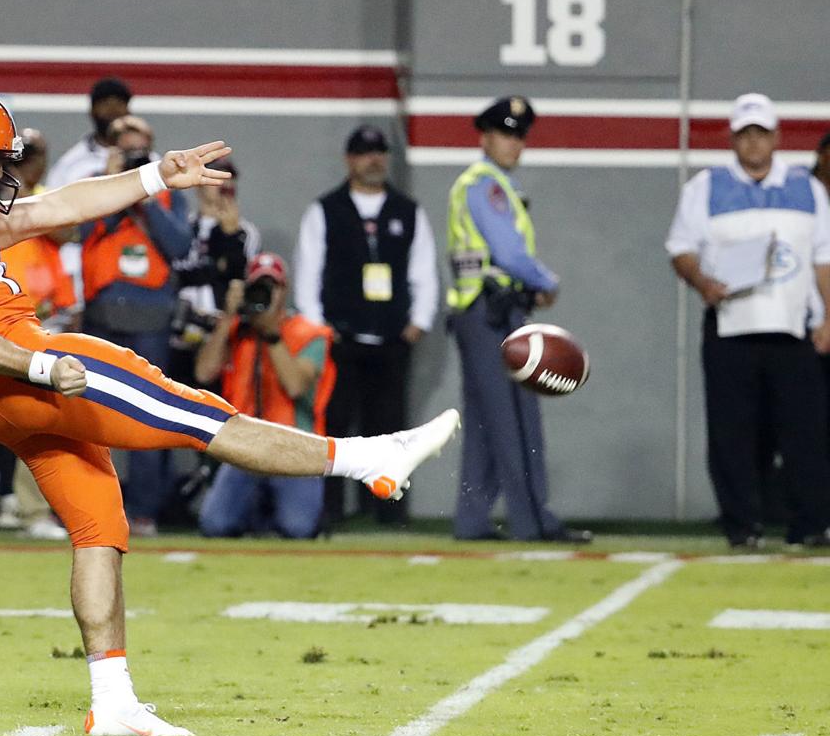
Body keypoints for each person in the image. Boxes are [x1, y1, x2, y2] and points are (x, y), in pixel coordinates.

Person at [0, 85, 459, 736]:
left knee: (99, 528)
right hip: (29, 369)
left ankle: (112, 700)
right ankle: (370, 458)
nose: (1, 173)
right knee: (199, 416)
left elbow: (57, 204)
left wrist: (152, 177)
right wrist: (39, 364)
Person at [666, 92, 830, 549]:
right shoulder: (705, 188)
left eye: (761, 134)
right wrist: (702, 282)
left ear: (776, 137)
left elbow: (824, 259)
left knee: (805, 432)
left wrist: (829, 318)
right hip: (731, 327)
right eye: (745, 135)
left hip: (792, 329)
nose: (753, 143)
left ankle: (810, 524)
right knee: (732, 434)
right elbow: (680, 249)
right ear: (733, 139)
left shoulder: (807, 189)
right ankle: (742, 526)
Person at [445, 97, 590, 544]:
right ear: (485, 136)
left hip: (481, 312)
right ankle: (533, 521)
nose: (514, 143)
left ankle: (472, 520)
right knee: (515, 419)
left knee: (488, 420)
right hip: (494, 313)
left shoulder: (488, 184)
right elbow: (508, 254)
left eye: (519, 135)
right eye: (506, 133)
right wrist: (546, 281)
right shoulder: (487, 185)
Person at [292, 125, 438, 526]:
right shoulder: (325, 210)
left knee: (390, 428)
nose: (373, 159)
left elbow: (424, 271)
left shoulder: (407, 211)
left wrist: (417, 324)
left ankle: (388, 510)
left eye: (379, 152)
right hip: (342, 337)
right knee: (336, 425)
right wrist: (320, 330)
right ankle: (333, 508)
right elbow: (309, 273)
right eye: (364, 152)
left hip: (392, 337)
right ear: (349, 159)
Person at [0, 128, 72, 541]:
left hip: (38, 319)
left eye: (32, 156)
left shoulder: (37, 198)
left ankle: (32, 509)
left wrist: (27, 181)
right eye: (17, 157)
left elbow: (66, 229)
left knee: (40, 416)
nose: (24, 164)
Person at [79, 114, 192, 537]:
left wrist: (143, 196)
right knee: (88, 416)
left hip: (151, 315)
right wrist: (115, 187)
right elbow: (84, 230)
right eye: (124, 146)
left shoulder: (166, 192)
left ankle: (144, 510)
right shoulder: (93, 184)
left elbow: (180, 245)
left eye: (138, 146)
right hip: (103, 312)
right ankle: (88, 504)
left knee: (149, 413)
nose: (132, 153)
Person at [194, 253, 335, 539]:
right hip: (244, 446)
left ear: (284, 291)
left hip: (295, 447)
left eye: (272, 287)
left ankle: (288, 513)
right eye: (258, 286)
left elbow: (296, 385)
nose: (265, 294)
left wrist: (272, 334)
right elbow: (203, 373)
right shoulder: (236, 330)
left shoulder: (309, 334)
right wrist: (227, 319)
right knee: (214, 524)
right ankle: (257, 515)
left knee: (298, 528)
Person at [170, 156, 261, 385]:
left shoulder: (244, 232)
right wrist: (212, 269)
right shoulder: (183, 227)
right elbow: (175, 273)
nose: (225, 186)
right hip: (179, 328)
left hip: (218, 327)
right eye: (217, 178)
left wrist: (229, 237)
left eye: (229, 180)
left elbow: (237, 277)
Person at [46, 77, 134, 302]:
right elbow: (52, 216)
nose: (113, 110)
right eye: (106, 103)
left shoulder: (147, 162)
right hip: (82, 266)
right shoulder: (71, 164)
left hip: (134, 268)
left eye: (119, 103)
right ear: (93, 110)